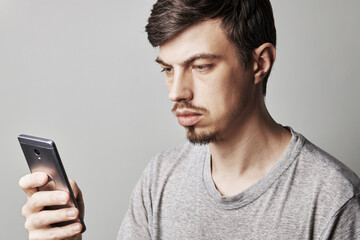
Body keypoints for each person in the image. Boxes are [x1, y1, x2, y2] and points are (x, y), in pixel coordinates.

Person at [19, 0, 360, 239]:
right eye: (168, 69)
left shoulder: (332, 200)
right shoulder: (160, 178)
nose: (176, 92)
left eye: (201, 66)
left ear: (259, 63)